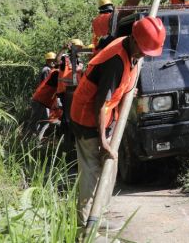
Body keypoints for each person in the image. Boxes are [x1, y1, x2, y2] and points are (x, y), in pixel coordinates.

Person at [69, 16, 166, 230]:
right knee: (92, 170)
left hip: (107, 116)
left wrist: (128, 90)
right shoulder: (115, 62)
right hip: (88, 118)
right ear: (133, 39)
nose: (144, 55)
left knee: (109, 165)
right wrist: (103, 142)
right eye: (143, 50)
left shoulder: (132, 51)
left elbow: (119, 88)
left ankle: (99, 215)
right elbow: (100, 104)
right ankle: (85, 224)